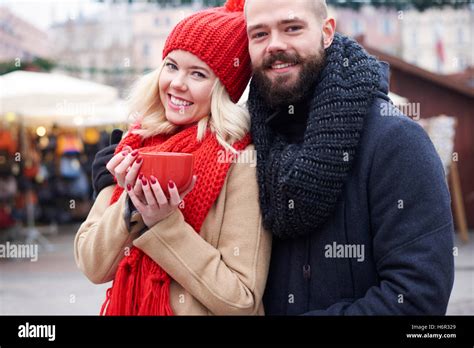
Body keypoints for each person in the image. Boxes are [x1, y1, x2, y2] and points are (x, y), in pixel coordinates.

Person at [93, 0, 455, 315]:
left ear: (326, 31)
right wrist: (121, 182)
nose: (275, 45)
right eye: (259, 34)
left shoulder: (395, 143)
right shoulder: (250, 141)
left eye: (292, 28)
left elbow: (418, 298)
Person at [75, 0, 271, 316]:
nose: (177, 83)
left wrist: (164, 223)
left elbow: (241, 300)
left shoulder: (240, 163)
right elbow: (92, 265)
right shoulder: (133, 144)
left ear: (222, 88)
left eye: (198, 73)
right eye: (171, 65)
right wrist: (130, 203)